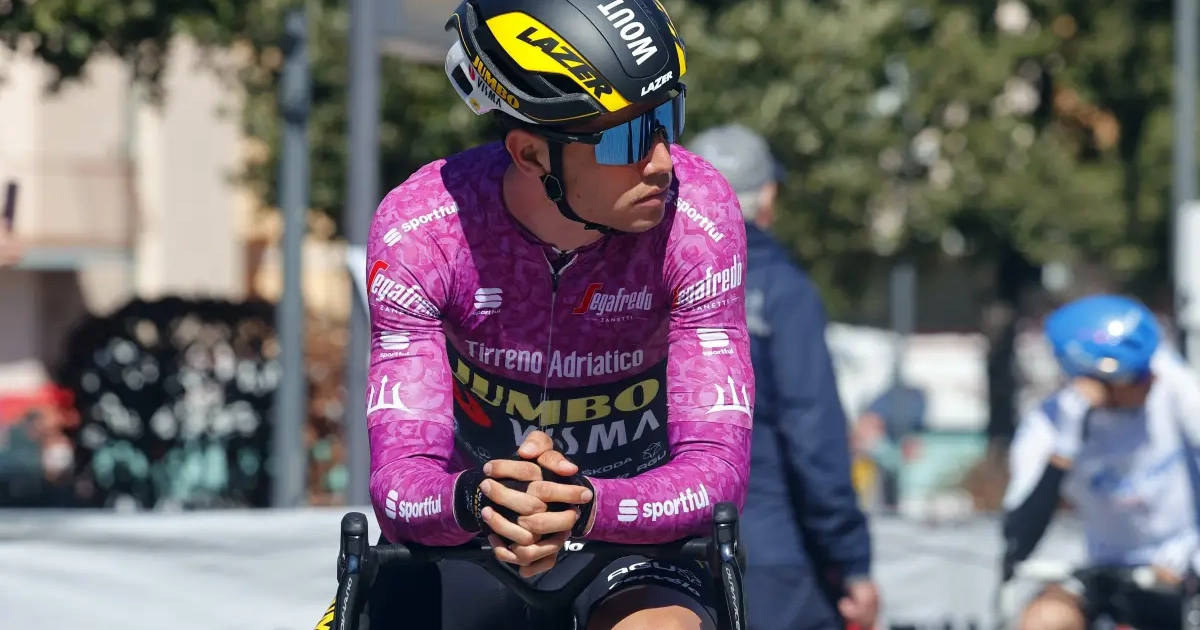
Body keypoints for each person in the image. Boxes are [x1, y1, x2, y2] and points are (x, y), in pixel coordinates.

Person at [326, 1, 753, 629]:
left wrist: (585, 507)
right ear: (529, 155)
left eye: (666, 119)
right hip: (473, 530)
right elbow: (398, 481)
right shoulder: (422, 231)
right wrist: (477, 501)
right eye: (627, 138)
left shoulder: (699, 218)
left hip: (630, 531)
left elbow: (717, 472)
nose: (662, 161)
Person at [688, 124, 878, 630]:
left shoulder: (645, 286)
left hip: (660, 554)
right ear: (768, 197)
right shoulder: (784, 293)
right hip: (771, 556)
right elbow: (813, 434)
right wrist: (851, 561)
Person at [1002, 294, 1200, 630]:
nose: (1150, 379)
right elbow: (1017, 541)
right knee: (1045, 619)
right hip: (1108, 573)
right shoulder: (1048, 425)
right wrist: (1064, 449)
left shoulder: (1172, 383)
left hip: (1185, 563)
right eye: (1135, 376)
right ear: (1091, 381)